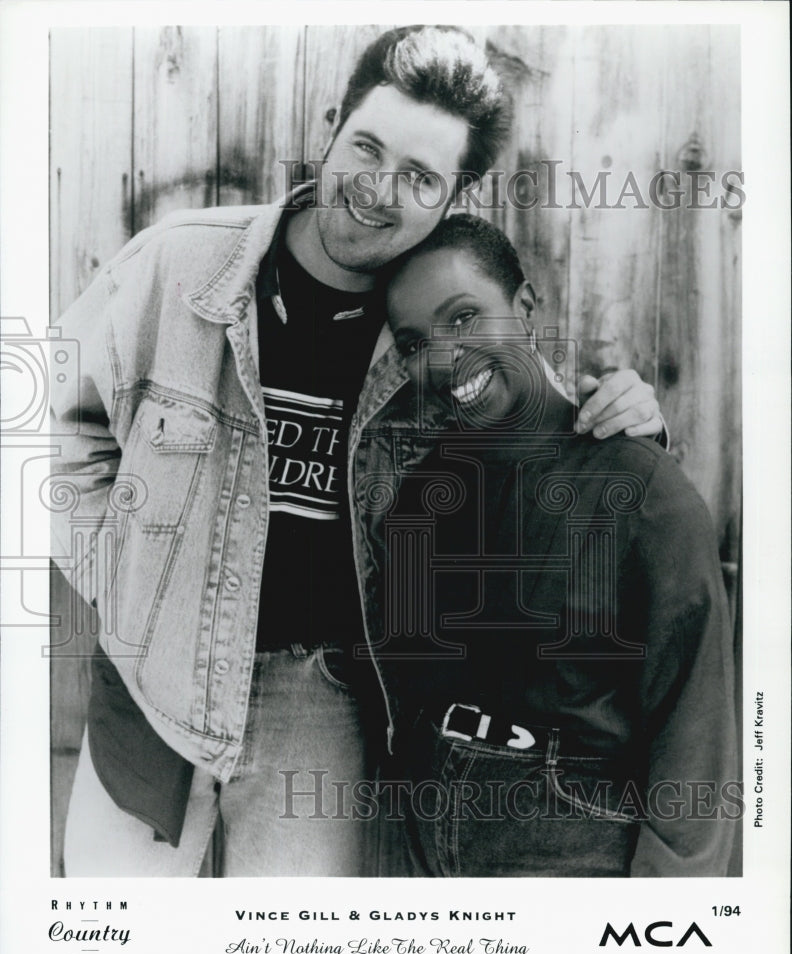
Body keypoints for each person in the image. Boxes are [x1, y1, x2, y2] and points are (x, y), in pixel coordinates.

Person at [50, 25, 666, 876]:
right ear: (330, 125)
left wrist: (630, 417)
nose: (379, 190)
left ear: (455, 193)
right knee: (110, 941)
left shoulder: (433, 325)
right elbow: (50, 432)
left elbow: (551, 428)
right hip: (152, 682)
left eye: (419, 176)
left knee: (294, 953)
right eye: (368, 148)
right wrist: (128, 582)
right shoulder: (180, 264)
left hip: (329, 700)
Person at [351, 213, 738, 876]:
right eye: (416, 343)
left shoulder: (642, 488)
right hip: (421, 828)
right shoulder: (421, 492)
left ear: (525, 307)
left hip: (566, 839)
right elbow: (401, 673)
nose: (443, 360)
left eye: (465, 317)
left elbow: (694, 741)